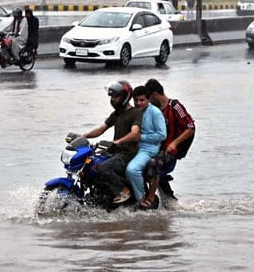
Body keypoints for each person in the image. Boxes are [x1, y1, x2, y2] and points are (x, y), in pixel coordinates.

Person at [82, 81, 143, 204]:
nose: (113, 100)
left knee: (103, 167)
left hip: (128, 154)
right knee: (91, 163)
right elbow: (101, 129)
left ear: (125, 96)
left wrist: (118, 141)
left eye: (116, 97)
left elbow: (135, 133)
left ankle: (124, 190)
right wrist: (83, 136)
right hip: (116, 152)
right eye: (111, 97)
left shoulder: (135, 113)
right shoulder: (116, 114)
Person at [142, 78, 196, 207]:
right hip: (156, 148)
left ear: (155, 94)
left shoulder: (175, 106)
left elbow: (190, 127)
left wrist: (175, 143)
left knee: (153, 164)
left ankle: (150, 198)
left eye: (149, 98)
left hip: (169, 151)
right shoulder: (154, 110)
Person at [125, 85, 166, 209]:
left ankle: (141, 199)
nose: (138, 103)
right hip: (133, 146)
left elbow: (162, 135)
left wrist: (141, 138)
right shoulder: (133, 112)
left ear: (148, 99)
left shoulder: (155, 113)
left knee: (132, 170)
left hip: (148, 148)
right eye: (136, 100)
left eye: (142, 100)